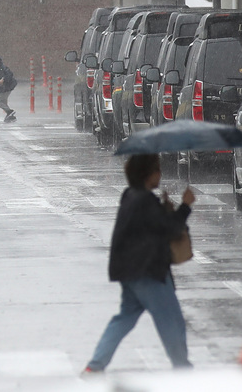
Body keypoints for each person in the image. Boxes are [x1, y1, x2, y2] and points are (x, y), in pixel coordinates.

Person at [83, 153, 195, 373]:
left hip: (130, 271)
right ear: (148, 174)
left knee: (124, 319)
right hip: (148, 272)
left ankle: (95, 367)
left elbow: (151, 226)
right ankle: (183, 370)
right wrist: (185, 206)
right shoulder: (144, 201)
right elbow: (170, 229)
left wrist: (163, 207)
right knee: (172, 323)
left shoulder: (131, 196)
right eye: (157, 170)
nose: (160, 174)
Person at [0, 54, 17, 123]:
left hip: (7, 86)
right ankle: (10, 116)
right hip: (4, 87)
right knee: (3, 102)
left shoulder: (2, 68)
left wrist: (3, 79)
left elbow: (9, 74)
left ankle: (10, 112)